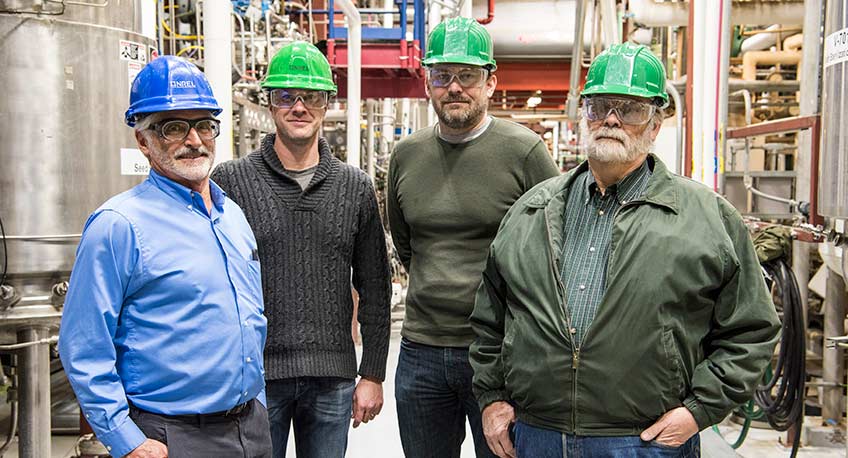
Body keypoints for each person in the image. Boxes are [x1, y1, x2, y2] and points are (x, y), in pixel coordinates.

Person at [469, 43, 781, 458]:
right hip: (539, 436)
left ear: (656, 123)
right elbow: (491, 316)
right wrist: (491, 398)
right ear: (584, 114)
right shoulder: (532, 210)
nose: (611, 120)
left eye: (629, 109)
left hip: (644, 441)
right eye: (599, 106)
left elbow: (752, 329)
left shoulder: (706, 218)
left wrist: (699, 410)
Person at [58, 55, 271, 458]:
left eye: (204, 125)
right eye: (174, 127)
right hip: (171, 436)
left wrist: (256, 401)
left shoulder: (232, 215)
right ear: (143, 140)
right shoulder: (118, 225)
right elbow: (83, 345)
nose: (194, 140)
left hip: (250, 427)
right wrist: (125, 439)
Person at [387, 17, 560, 458]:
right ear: (429, 82)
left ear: (490, 82)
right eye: (442, 76)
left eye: (468, 75)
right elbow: (407, 242)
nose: (455, 88)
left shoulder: (524, 151)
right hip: (421, 350)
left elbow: (556, 242)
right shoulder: (407, 155)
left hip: (500, 353)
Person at [211, 41, 392, 458]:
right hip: (256, 379)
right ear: (269, 104)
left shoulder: (356, 186)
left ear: (327, 102)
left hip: (333, 378)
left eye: (310, 96)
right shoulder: (232, 181)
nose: (299, 107)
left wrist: (373, 373)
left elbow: (376, 289)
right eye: (286, 96)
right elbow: (214, 282)